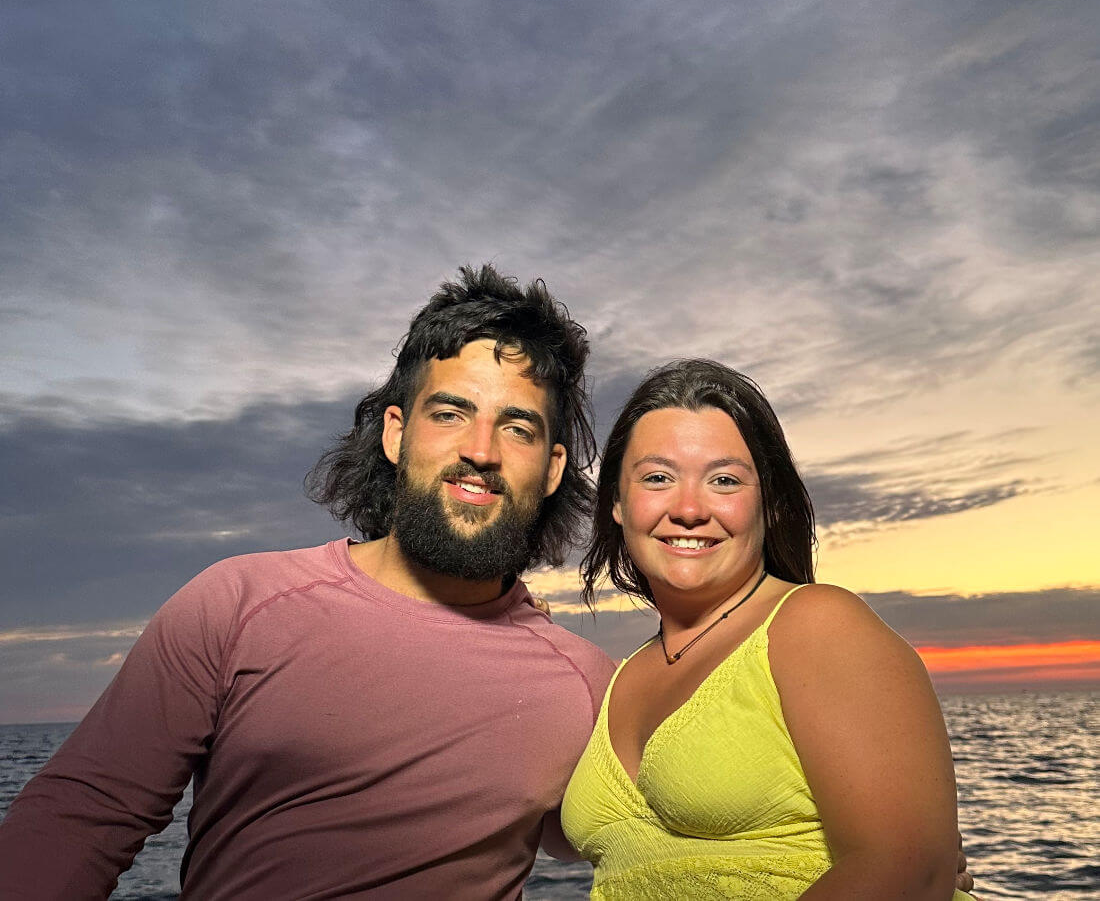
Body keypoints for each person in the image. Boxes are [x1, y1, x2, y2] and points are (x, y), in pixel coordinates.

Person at [0, 265, 616, 900]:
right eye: (451, 412)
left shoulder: (587, 687)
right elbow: (80, 820)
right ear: (396, 435)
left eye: (518, 428)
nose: (481, 449)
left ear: (551, 470)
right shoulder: (236, 605)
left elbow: (650, 849)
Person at [562, 359, 976, 900]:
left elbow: (908, 871)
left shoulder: (816, 624)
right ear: (617, 503)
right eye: (658, 478)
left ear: (769, 502)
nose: (688, 508)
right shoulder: (621, 675)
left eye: (724, 480)